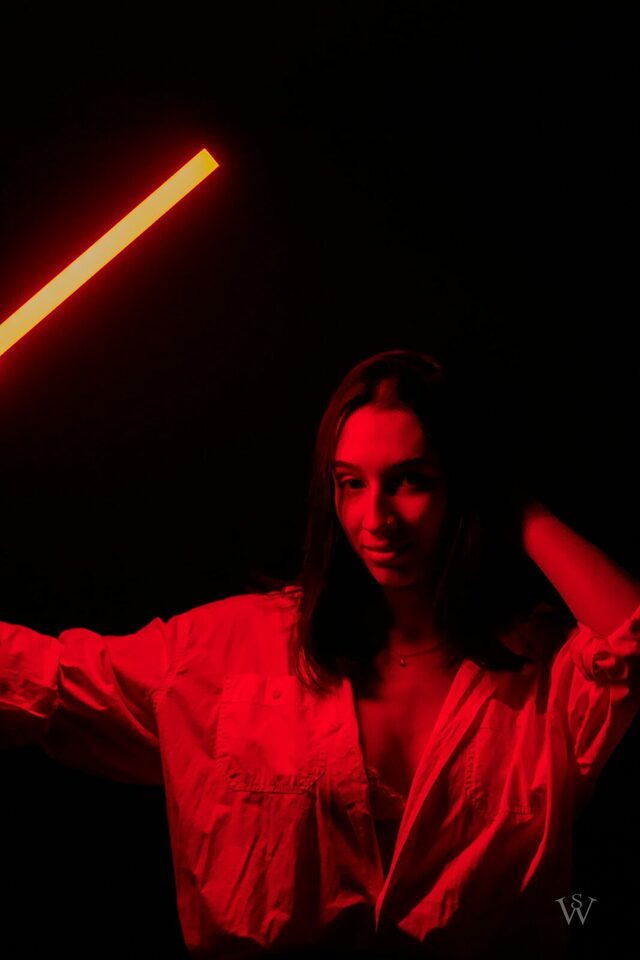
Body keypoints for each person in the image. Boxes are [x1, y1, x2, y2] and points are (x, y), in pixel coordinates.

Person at [1, 349, 639, 959]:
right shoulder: (229, 648)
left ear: (462, 487)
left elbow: (632, 642)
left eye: (410, 481)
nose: (375, 518)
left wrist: (516, 509)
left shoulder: (542, 672)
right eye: (350, 483)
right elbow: (44, 678)